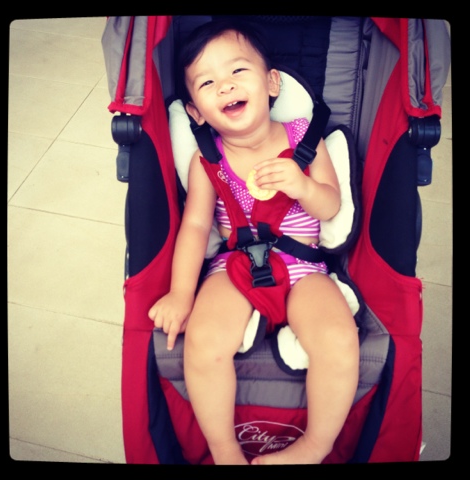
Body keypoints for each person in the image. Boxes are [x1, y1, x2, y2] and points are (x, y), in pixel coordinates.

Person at [149, 19, 359, 465]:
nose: (225, 86)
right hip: (234, 267)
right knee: (203, 340)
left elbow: (329, 205)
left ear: (271, 83)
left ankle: (314, 447)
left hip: (304, 269)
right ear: (197, 112)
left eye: (237, 71)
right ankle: (225, 450)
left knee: (339, 338)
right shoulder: (208, 161)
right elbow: (195, 227)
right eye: (207, 82)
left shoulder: (304, 138)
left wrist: (302, 186)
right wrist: (181, 293)